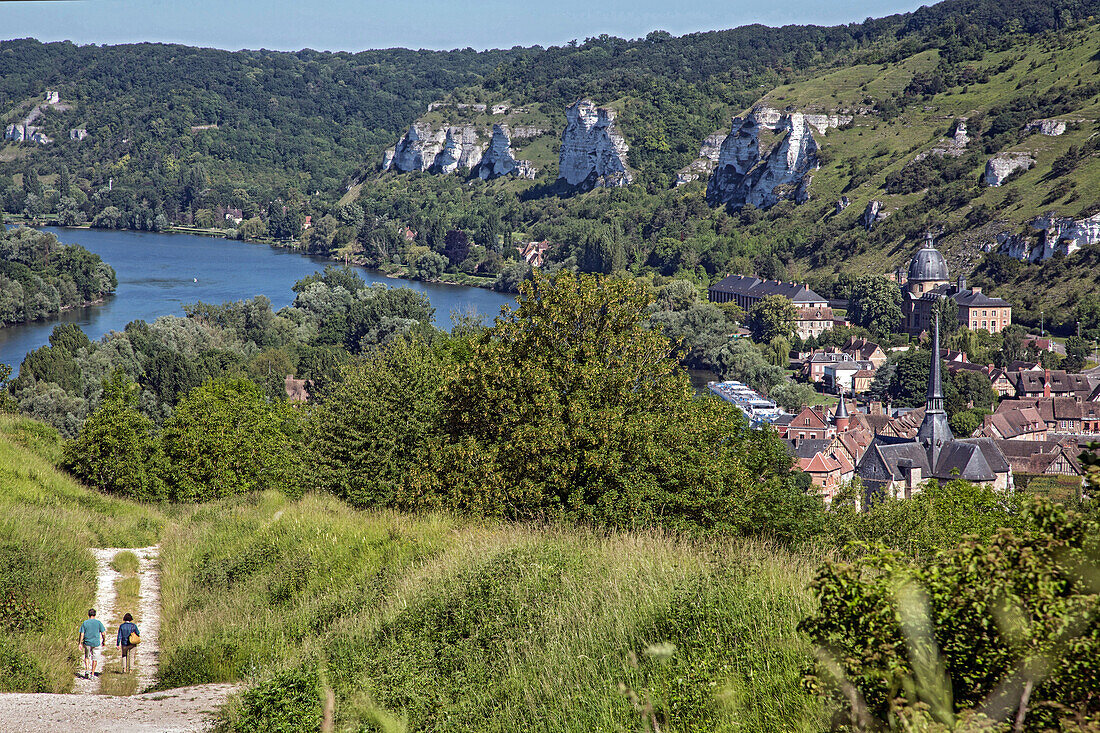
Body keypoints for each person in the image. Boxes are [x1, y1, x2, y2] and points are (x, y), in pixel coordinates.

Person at [78, 608, 106, 679]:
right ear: (95, 614)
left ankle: (87, 669)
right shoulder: (98, 623)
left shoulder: (85, 623)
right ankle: (92, 674)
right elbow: (103, 633)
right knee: (95, 658)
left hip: (87, 642)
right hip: (96, 643)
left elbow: (82, 634)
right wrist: (104, 640)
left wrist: (80, 643)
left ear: (88, 614)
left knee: (87, 656)